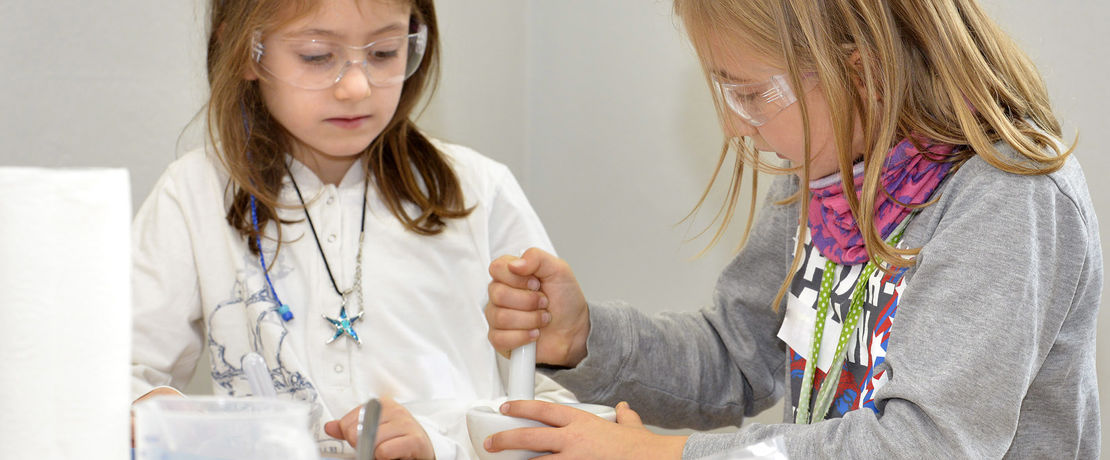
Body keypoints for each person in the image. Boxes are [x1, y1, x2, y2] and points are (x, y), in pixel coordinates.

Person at [482, 0, 1102, 458]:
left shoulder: (1009, 194)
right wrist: (588, 336)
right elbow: (738, 356)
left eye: (750, 93)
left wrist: (665, 454)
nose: (734, 127)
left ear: (860, 74)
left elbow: (924, 444)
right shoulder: (824, 168)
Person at [130, 0, 573, 458]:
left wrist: (443, 447)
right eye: (318, 55)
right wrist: (158, 414)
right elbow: (117, 374)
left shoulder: (479, 192)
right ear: (245, 52)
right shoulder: (194, 193)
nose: (357, 87)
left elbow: (560, 412)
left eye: (385, 52)